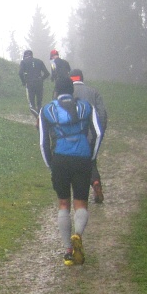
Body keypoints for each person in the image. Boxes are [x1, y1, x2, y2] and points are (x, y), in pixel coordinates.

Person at [39, 75, 103, 266]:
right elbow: (98, 133)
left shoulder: (47, 110)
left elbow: (43, 141)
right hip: (82, 158)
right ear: (72, 91)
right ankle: (78, 234)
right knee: (81, 203)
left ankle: (68, 250)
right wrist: (91, 156)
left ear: (56, 91)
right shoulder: (85, 107)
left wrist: (50, 163)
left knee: (63, 204)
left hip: (60, 159)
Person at [69, 68, 107, 203]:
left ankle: (78, 194)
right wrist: (100, 133)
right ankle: (95, 181)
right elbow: (102, 114)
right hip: (92, 133)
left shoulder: (66, 93)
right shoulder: (94, 92)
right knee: (91, 161)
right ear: (82, 78)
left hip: (73, 134)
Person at [18, 49, 49, 116]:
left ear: (25, 56)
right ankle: (41, 117)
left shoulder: (23, 62)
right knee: (39, 103)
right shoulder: (39, 61)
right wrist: (41, 79)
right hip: (39, 83)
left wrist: (23, 81)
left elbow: (20, 73)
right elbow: (47, 73)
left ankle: (38, 117)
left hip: (30, 84)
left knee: (32, 105)